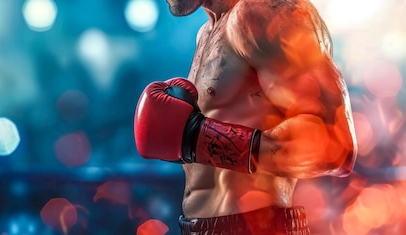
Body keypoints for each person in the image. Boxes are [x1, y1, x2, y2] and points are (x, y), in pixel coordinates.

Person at [133, 0, 358, 234]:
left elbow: (336, 146)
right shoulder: (207, 32)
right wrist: (187, 141)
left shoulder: (264, 12)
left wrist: (203, 140)